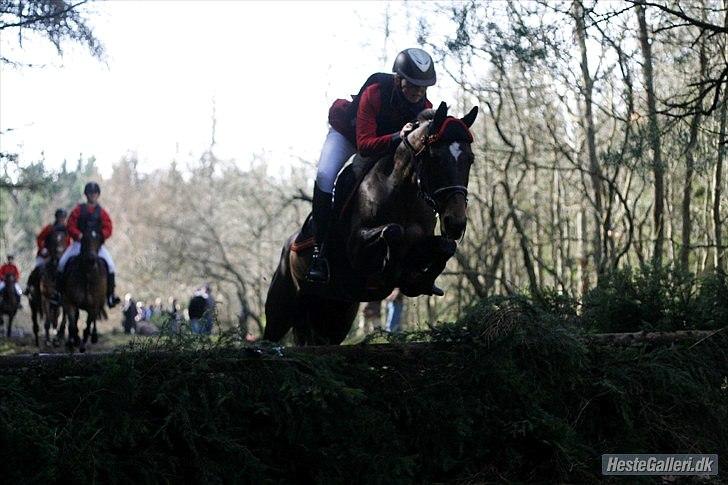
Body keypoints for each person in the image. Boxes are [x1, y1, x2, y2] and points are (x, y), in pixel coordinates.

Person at [307, 48, 437, 283]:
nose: (419, 92)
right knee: (326, 177)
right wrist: (399, 135)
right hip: (349, 136)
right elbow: (364, 145)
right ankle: (319, 252)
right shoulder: (375, 93)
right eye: (413, 85)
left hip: (386, 143)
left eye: (423, 87)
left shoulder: (423, 104)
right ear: (398, 80)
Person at [58, 182, 121, 307]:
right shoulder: (78, 210)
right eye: (90, 193)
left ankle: (110, 295)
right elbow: (70, 225)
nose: (92, 195)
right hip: (79, 244)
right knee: (62, 263)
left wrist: (99, 236)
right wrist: (78, 235)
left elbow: (108, 227)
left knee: (111, 266)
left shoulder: (102, 212)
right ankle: (59, 294)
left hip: (96, 245)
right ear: (86, 195)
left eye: (95, 193)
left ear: (98, 195)